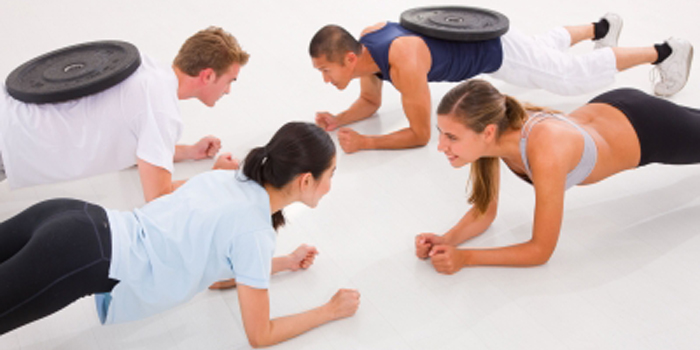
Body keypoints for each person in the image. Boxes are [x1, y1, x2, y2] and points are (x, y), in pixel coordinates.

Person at [0, 122, 361, 347]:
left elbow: (213, 275)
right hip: (79, 255)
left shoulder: (230, 179)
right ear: (305, 180)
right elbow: (260, 335)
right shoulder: (254, 230)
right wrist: (329, 311)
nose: (331, 184)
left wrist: (283, 263)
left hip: (71, 215)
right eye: (330, 174)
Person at [415, 79, 700, 274]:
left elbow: (540, 250)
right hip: (613, 109)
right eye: (441, 133)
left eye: (452, 137)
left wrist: (466, 259)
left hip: (648, 128)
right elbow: (485, 212)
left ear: (487, 132)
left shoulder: (546, 151)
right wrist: (447, 239)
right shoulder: (497, 135)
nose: (441, 146)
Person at [308, 13, 694, 154]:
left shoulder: (401, 60)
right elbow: (371, 104)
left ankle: (665, 51)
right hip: (489, 39)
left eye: (326, 71)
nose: (325, 80)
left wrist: (368, 142)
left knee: (569, 76)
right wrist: (339, 120)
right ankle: (603, 27)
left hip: (496, 51)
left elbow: (421, 133)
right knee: (543, 48)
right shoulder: (368, 42)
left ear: (350, 58)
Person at [0, 26, 247, 202]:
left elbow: (140, 146)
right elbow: (159, 196)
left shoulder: (147, 69)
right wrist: (215, 177)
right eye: (229, 81)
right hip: (9, 139)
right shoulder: (161, 109)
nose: (228, 90)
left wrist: (190, 151)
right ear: (207, 75)